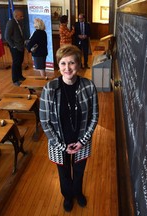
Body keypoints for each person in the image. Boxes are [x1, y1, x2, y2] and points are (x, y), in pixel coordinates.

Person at [39, 45, 99, 212]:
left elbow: (94, 117)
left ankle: (78, 192)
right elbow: (45, 122)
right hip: (59, 143)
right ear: (59, 65)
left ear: (78, 65)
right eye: (63, 63)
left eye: (72, 63)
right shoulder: (49, 89)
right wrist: (60, 145)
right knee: (64, 173)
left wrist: (82, 141)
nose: (67, 68)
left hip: (82, 142)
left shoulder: (89, 86)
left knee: (79, 171)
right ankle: (67, 196)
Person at [4, 9, 26, 86]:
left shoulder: (20, 22)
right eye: (21, 16)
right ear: (16, 16)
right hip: (15, 47)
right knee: (16, 63)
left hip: (21, 46)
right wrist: (13, 46)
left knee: (20, 62)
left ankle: (20, 76)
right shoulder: (11, 23)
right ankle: (15, 80)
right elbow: (7, 36)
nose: (23, 17)